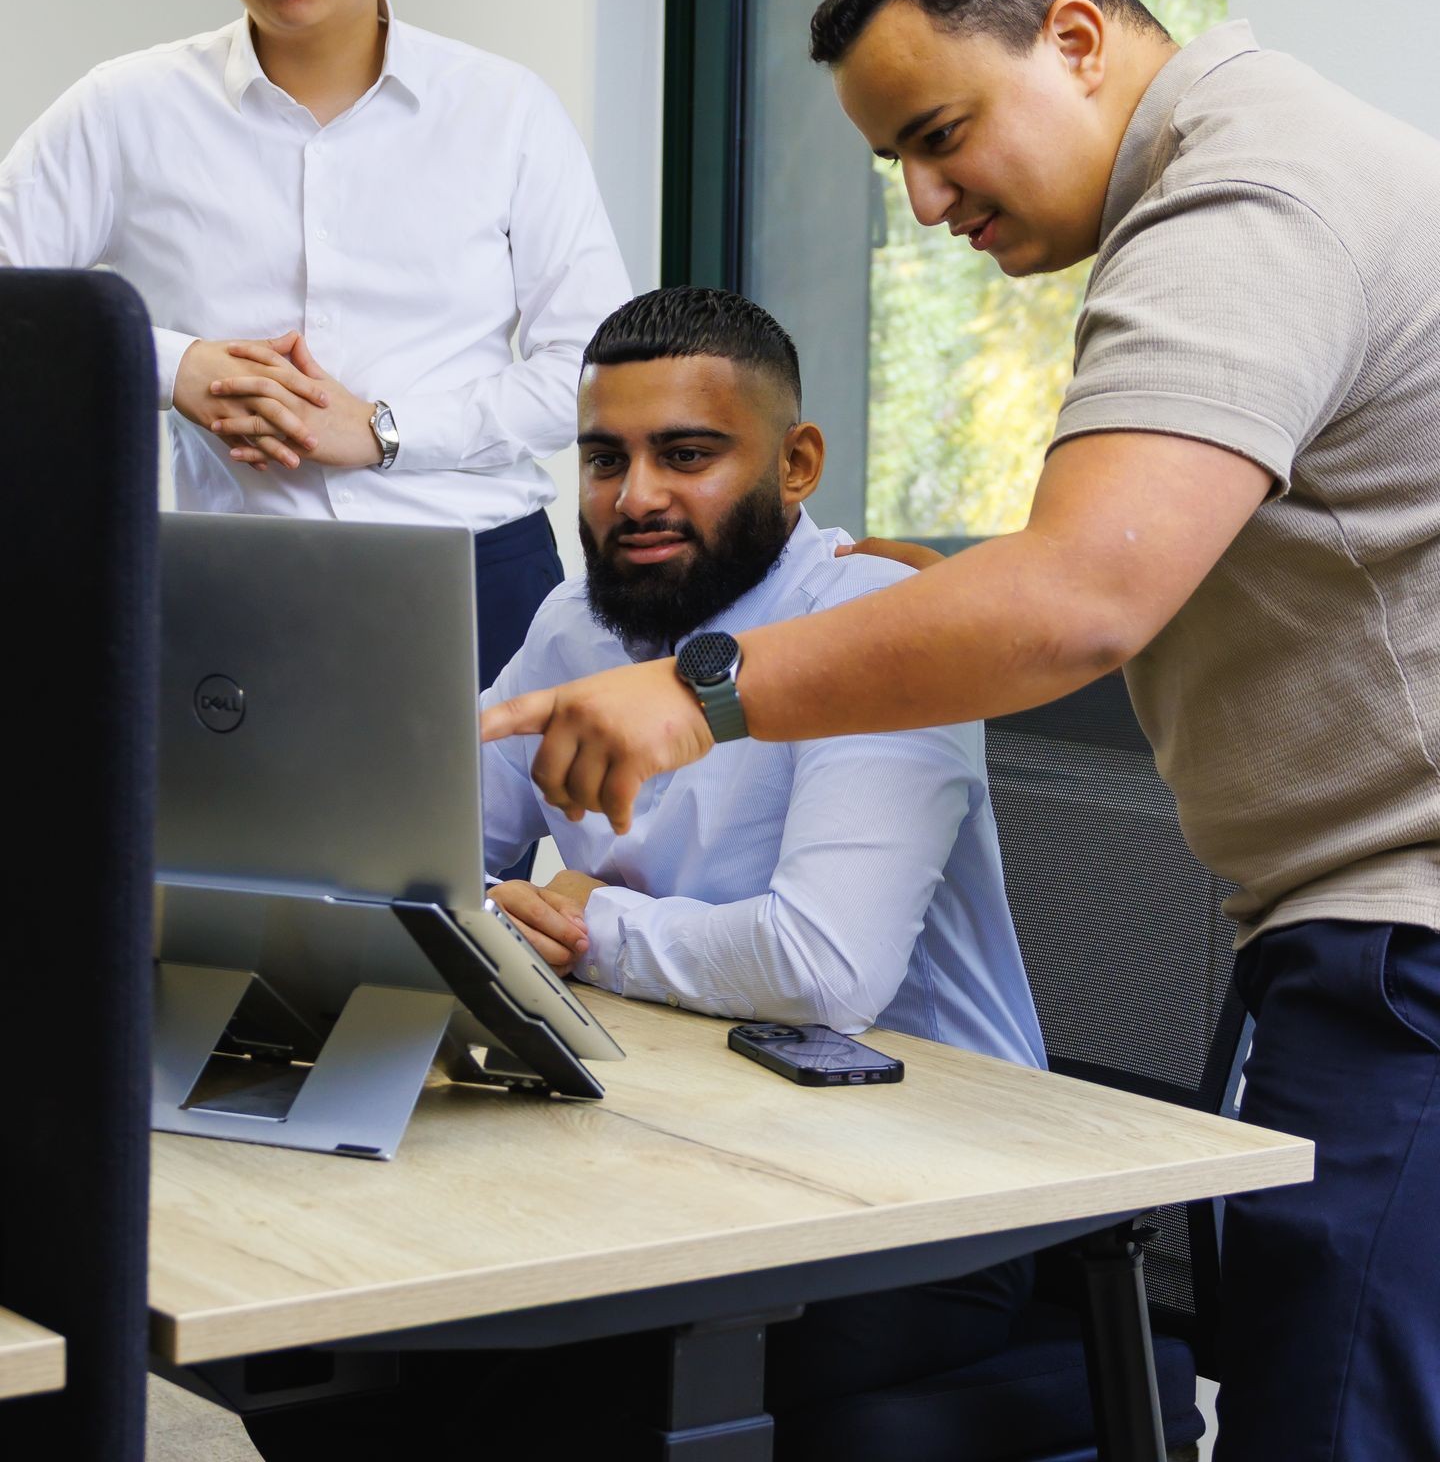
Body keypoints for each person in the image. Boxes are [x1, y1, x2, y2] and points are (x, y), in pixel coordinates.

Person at [483, 0, 1440, 1462]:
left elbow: (1080, 599)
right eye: (893, 162)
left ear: (1076, 38)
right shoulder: (1261, 168)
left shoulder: (1239, 206)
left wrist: (705, 688)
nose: (925, 205)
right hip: (1356, 943)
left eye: (939, 136)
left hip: (1397, 954)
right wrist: (953, 579)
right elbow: (1171, 540)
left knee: (1323, 1431)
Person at [242, 284, 1045, 1462]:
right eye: (604, 460)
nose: (636, 498)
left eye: (687, 454)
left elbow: (825, 969)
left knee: (510, 1405)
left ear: (797, 462)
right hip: (677, 1145)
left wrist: (589, 924)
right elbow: (416, 829)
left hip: (931, 1200)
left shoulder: (881, 628)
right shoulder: (581, 622)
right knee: (347, 1354)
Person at [0, 0, 630, 686]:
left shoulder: (506, 112)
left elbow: (591, 372)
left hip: (471, 569)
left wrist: (381, 428)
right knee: (215, 841)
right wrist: (179, 369)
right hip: (232, 578)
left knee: (462, 845)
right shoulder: (124, 107)